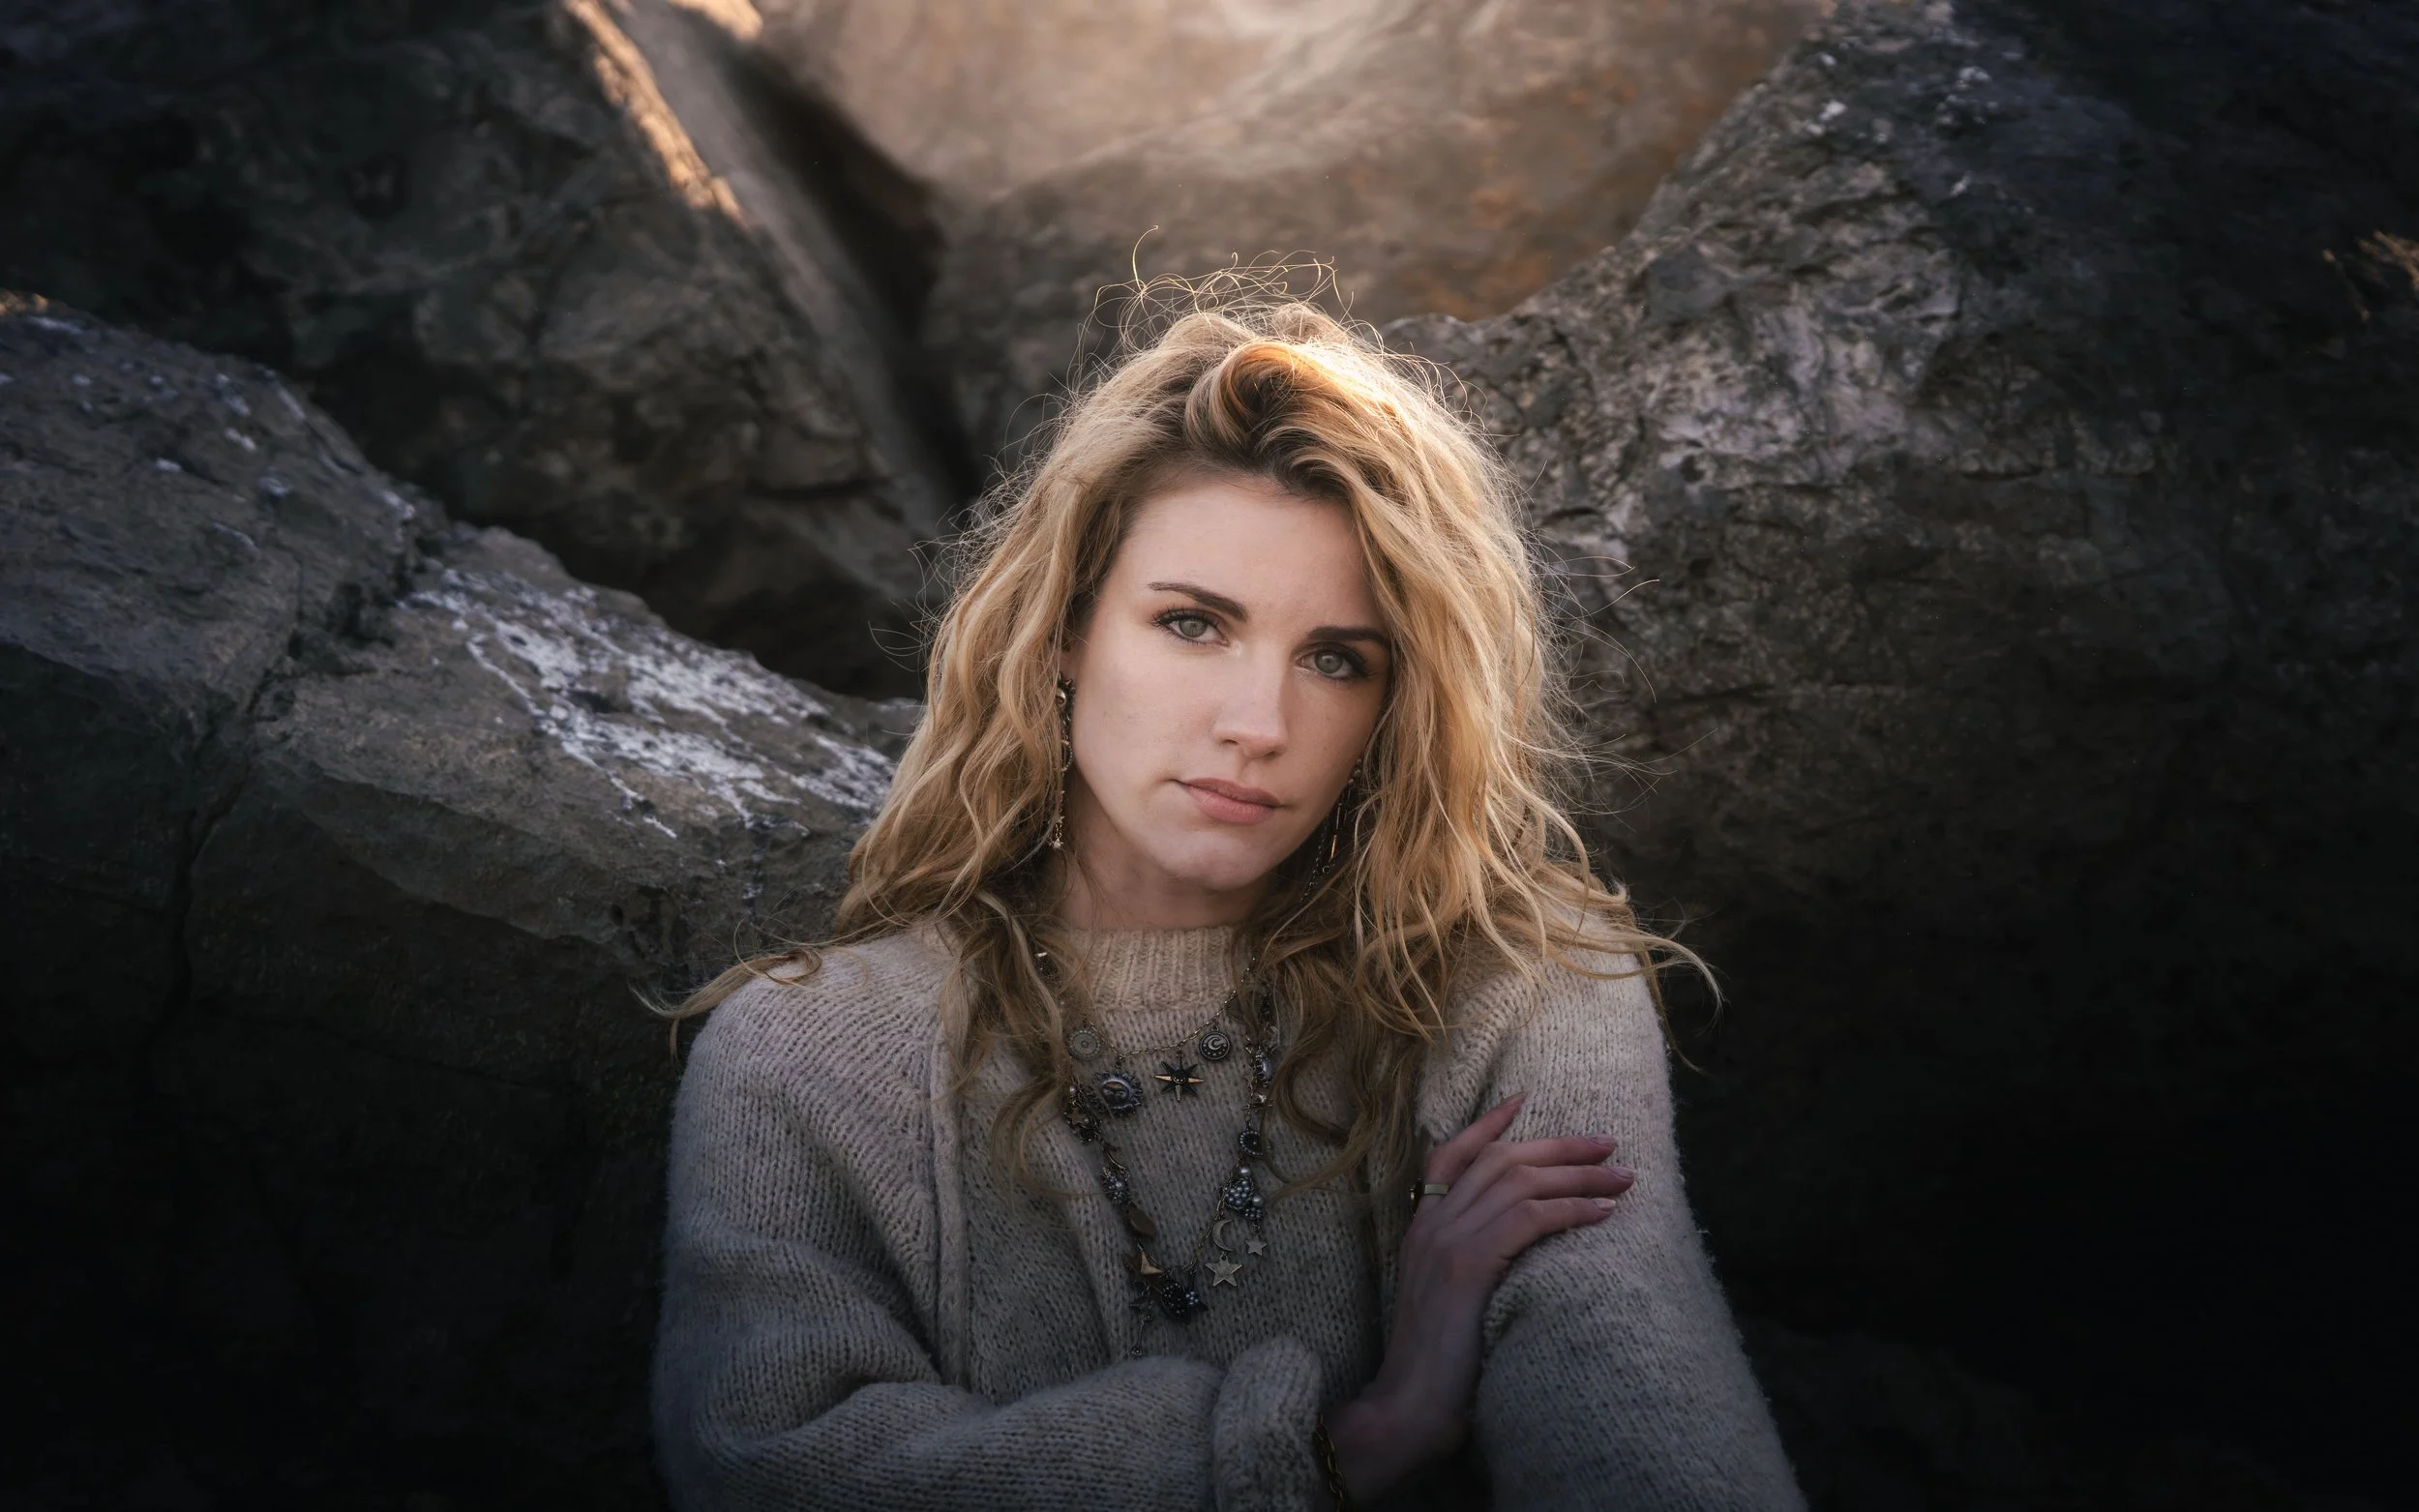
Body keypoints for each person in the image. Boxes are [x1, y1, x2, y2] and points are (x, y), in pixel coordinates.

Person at [648, 298, 1804, 1511]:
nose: (1259, 725)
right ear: (1064, 632)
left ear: (1397, 705)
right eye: (1192, 624)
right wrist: (1342, 1447)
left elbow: (1635, 1410)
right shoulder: (810, 1055)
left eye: (1337, 659)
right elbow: (772, 1473)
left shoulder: (1513, 991)